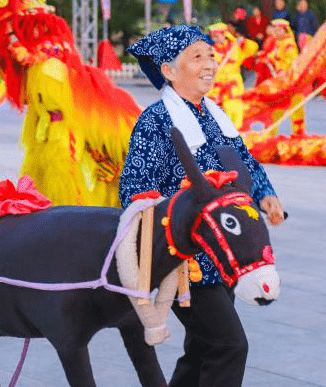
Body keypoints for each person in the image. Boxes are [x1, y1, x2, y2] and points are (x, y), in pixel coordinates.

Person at [120, 25, 285, 387]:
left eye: (210, 55)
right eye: (198, 57)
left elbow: (244, 161)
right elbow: (134, 189)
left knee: (202, 349)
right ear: (167, 70)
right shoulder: (156, 121)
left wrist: (265, 193)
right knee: (229, 345)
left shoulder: (214, 113)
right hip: (186, 262)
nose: (210, 63)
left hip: (224, 254)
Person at [258, 19, 305, 135]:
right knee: (277, 108)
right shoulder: (279, 43)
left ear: (285, 31)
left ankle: (298, 135)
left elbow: (291, 61)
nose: (277, 32)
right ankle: (269, 134)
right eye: (276, 30)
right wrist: (266, 58)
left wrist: (283, 71)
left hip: (291, 81)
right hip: (281, 81)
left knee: (295, 109)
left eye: (279, 30)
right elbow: (273, 55)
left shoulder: (289, 44)